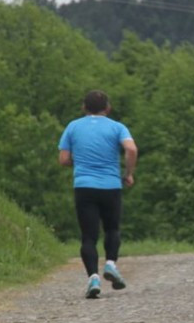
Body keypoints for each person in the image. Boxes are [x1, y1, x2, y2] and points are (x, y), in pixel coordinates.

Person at [58, 89, 138, 299]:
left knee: (88, 236)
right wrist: (128, 173)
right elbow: (131, 149)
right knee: (112, 228)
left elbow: (64, 159)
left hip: (84, 186)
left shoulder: (73, 127)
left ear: (83, 107)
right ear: (108, 108)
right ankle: (111, 263)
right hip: (111, 186)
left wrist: (82, 162)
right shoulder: (117, 127)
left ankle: (93, 277)